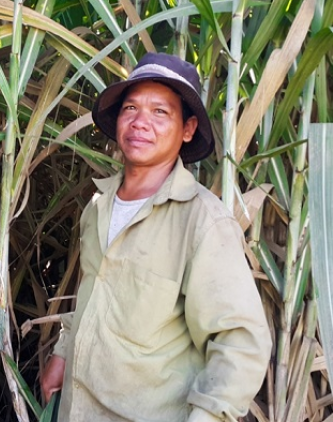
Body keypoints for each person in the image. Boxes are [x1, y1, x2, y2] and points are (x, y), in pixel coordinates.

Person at [39, 52, 272, 421]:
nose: (141, 122)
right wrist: (63, 354)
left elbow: (239, 342)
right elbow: (94, 294)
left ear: (188, 129)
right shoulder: (98, 208)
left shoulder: (203, 223)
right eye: (130, 108)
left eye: (160, 112)